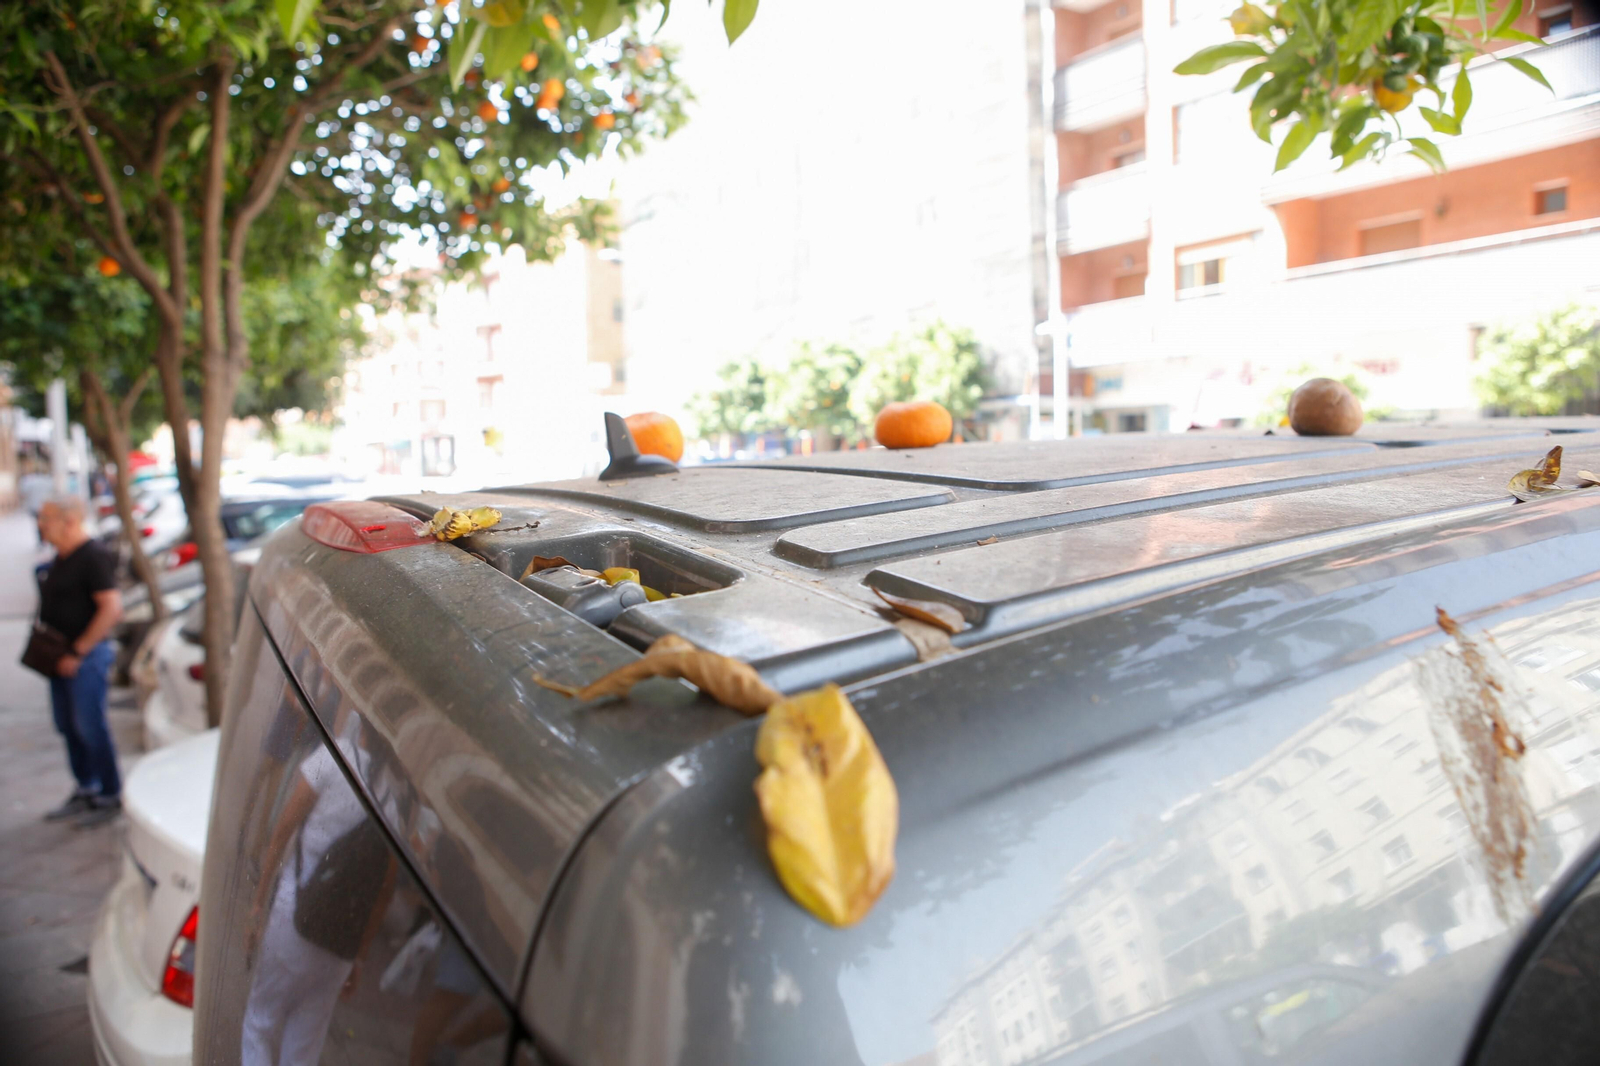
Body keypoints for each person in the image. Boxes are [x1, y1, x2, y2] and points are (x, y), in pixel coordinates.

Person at [36, 495, 124, 827]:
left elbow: (111, 608)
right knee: (69, 726)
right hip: (59, 657)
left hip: (85, 658)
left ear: (69, 521)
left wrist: (79, 651)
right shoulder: (61, 557)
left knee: (89, 726)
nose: (41, 525)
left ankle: (109, 793)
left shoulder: (93, 555)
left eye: (46, 518)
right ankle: (86, 787)